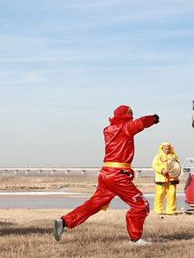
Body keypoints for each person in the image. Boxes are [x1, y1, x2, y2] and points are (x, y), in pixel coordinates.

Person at [53, 105, 159, 245]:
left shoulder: (108, 130)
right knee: (141, 205)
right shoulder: (125, 127)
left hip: (105, 173)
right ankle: (135, 238)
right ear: (127, 115)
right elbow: (141, 122)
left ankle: (64, 221)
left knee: (93, 204)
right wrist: (154, 118)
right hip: (118, 175)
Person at [152, 142, 179, 215]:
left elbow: (178, 165)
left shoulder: (174, 156)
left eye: (168, 149)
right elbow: (154, 166)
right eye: (165, 149)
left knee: (172, 195)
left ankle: (171, 211)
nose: (167, 150)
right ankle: (158, 210)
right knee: (159, 195)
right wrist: (161, 170)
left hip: (172, 179)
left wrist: (175, 161)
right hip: (161, 178)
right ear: (162, 148)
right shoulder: (158, 156)